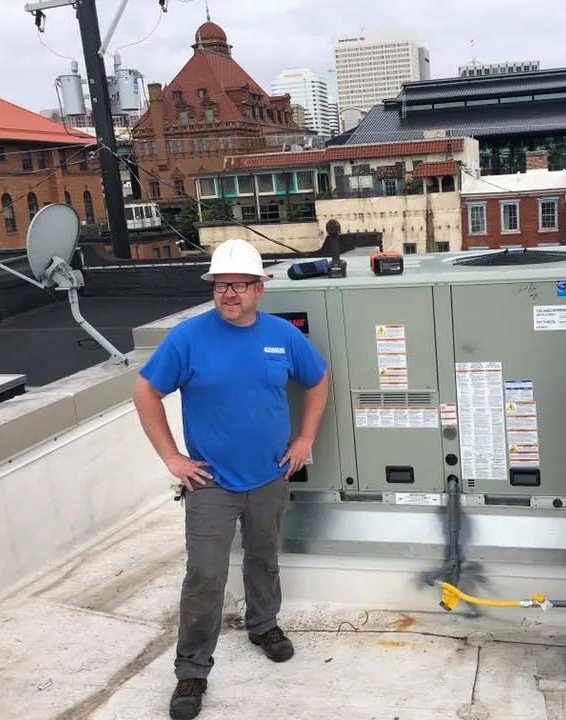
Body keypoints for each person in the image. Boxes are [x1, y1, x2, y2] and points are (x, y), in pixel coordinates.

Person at [132, 238, 329, 720]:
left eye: (240, 284)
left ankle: (264, 625)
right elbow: (145, 392)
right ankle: (192, 670)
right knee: (205, 574)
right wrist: (172, 458)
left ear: (260, 288)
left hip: (269, 474)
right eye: (221, 284)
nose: (230, 293)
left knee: (263, 557)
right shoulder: (187, 338)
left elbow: (317, 379)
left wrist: (304, 439)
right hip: (210, 483)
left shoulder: (282, 336)